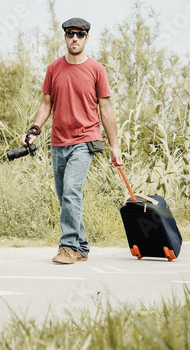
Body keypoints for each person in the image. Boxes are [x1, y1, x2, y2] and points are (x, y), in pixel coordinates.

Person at [21, 17, 123, 264]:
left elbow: (106, 109)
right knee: (64, 196)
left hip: (85, 139)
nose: (74, 38)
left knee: (71, 191)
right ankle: (82, 247)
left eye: (79, 34)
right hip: (58, 141)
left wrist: (114, 147)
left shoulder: (96, 70)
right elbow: (46, 103)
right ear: (65, 37)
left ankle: (67, 247)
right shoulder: (54, 68)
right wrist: (34, 129)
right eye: (70, 34)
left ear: (87, 38)